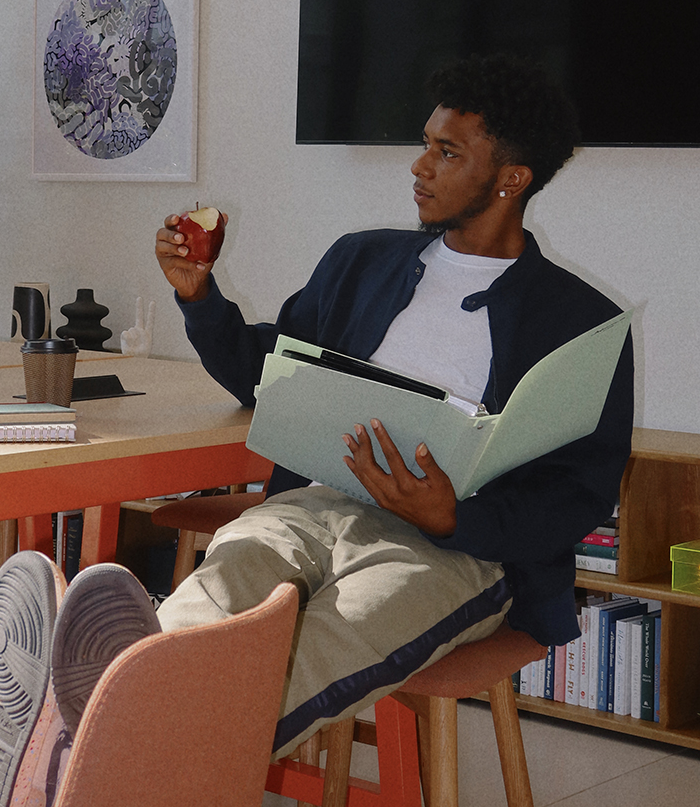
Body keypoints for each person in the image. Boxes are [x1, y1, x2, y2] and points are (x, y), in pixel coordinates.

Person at [152, 54, 634, 757]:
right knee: (218, 599)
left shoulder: (580, 323)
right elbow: (270, 376)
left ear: (511, 179)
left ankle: (104, 744)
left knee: (311, 654)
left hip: (451, 552)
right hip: (310, 507)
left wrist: (456, 516)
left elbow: (581, 493)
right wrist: (199, 298)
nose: (419, 166)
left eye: (446, 152)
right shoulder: (360, 261)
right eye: (425, 144)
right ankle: (118, 721)